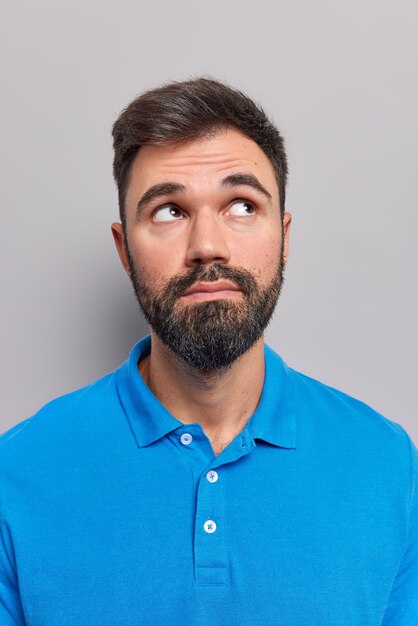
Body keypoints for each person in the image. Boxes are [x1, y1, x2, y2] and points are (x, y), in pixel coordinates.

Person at [0, 78, 416, 626]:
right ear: (124, 250)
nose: (207, 247)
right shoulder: (17, 473)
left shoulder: (387, 465)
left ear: (284, 237)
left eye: (242, 205)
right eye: (170, 211)